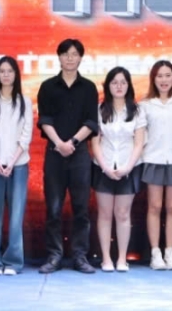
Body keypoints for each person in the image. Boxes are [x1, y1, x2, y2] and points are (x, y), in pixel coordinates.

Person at [36, 39, 100, 274]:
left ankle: (80, 256)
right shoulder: (48, 87)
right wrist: (59, 144)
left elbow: (91, 121)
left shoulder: (89, 88)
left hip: (79, 154)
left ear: (81, 57)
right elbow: (44, 120)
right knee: (53, 209)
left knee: (81, 208)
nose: (70, 58)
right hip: (54, 154)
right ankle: (54, 256)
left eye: (74, 54)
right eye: (65, 54)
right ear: (59, 57)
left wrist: (72, 143)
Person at [0, 56, 33, 276]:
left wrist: (11, 162)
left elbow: (26, 135)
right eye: (2, 71)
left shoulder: (24, 102)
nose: (6, 75)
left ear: (16, 75)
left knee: (16, 217)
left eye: (10, 71)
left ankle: (13, 262)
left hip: (18, 166)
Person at [91, 67, 146, 273]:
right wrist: (105, 167)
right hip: (103, 167)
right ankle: (106, 259)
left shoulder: (137, 111)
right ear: (108, 86)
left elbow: (139, 143)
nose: (119, 86)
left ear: (129, 85)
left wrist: (127, 167)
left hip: (128, 167)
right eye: (114, 82)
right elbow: (95, 143)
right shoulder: (99, 110)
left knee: (123, 214)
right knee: (105, 214)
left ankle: (122, 259)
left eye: (123, 82)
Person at [139, 60, 172, 270]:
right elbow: (141, 136)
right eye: (159, 76)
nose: (164, 80)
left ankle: (170, 252)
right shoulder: (145, 105)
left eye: (168, 75)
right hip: (153, 159)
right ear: (153, 79)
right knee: (154, 206)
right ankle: (155, 253)